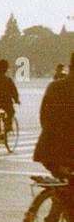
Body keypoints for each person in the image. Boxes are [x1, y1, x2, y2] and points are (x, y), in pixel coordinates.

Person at [35, 52, 74, 189]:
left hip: (47, 149)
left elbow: (43, 116)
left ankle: (60, 204)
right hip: (67, 152)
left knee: (66, 191)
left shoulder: (53, 86)